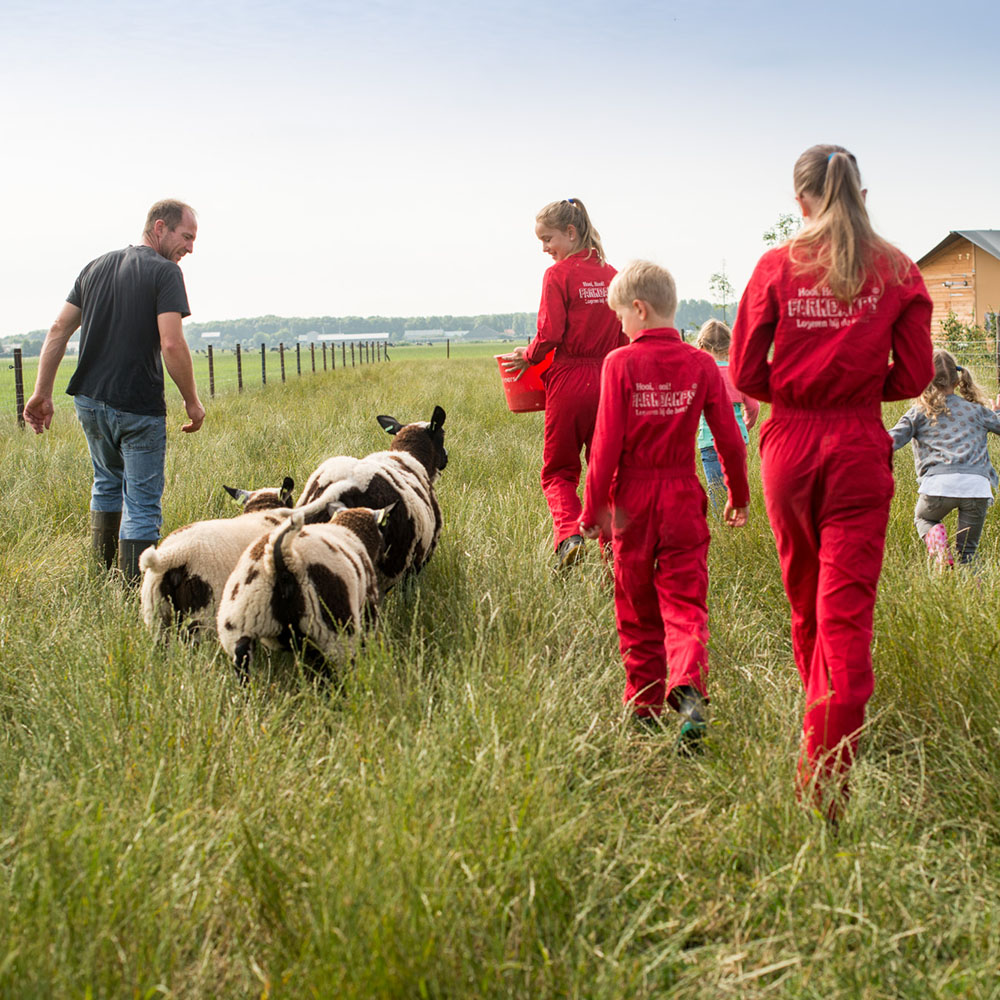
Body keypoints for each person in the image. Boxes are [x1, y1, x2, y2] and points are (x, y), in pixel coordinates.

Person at [729, 144, 934, 821]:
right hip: (855, 445)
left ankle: (821, 749)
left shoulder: (774, 265)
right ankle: (827, 762)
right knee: (844, 615)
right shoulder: (898, 269)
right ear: (860, 192)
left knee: (805, 605)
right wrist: (861, 386)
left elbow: (746, 372)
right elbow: (913, 376)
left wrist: (796, 389)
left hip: (788, 444)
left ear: (800, 201)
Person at [579, 260, 749, 751]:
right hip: (681, 497)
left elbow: (605, 447)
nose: (620, 327)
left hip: (630, 503)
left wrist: (591, 513)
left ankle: (645, 703)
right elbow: (731, 444)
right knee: (685, 601)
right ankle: (689, 684)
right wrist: (738, 496)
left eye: (621, 317)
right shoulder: (700, 365)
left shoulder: (620, 363)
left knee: (635, 606)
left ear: (639, 308)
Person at [23, 198, 206, 579]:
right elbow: (171, 343)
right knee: (140, 504)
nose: (190, 248)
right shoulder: (165, 273)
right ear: (160, 227)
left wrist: (41, 392)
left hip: (89, 401)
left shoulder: (95, 267)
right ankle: (135, 594)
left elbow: (58, 329)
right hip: (138, 407)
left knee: (106, 484)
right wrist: (192, 401)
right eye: (186, 237)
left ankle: (104, 576)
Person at [501, 198, 625, 568]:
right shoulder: (613, 275)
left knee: (559, 471)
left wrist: (530, 355)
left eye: (547, 239)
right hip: (609, 380)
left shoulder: (557, 275)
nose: (544, 249)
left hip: (570, 380)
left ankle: (570, 535)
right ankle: (615, 558)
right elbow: (625, 337)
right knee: (609, 473)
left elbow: (551, 332)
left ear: (570, 233)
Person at [889, 349, 1000, 566]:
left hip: (937, 486)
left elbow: (889, 441)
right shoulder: (977, 410)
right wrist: (996, 413)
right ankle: (972, 594)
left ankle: (940, 553)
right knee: (967, 554)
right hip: (977, 488)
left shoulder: (919, 413)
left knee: (925, 518)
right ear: (958, 380)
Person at [694, 318, 759, 507]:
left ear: (702, 345)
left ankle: (721, 526)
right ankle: (739, 520)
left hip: (709, 441)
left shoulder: (701, 373)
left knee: (716, 492)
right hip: (737, 440)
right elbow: (754, 407)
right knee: (737, 490)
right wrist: (746, 425)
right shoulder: (738, 373)